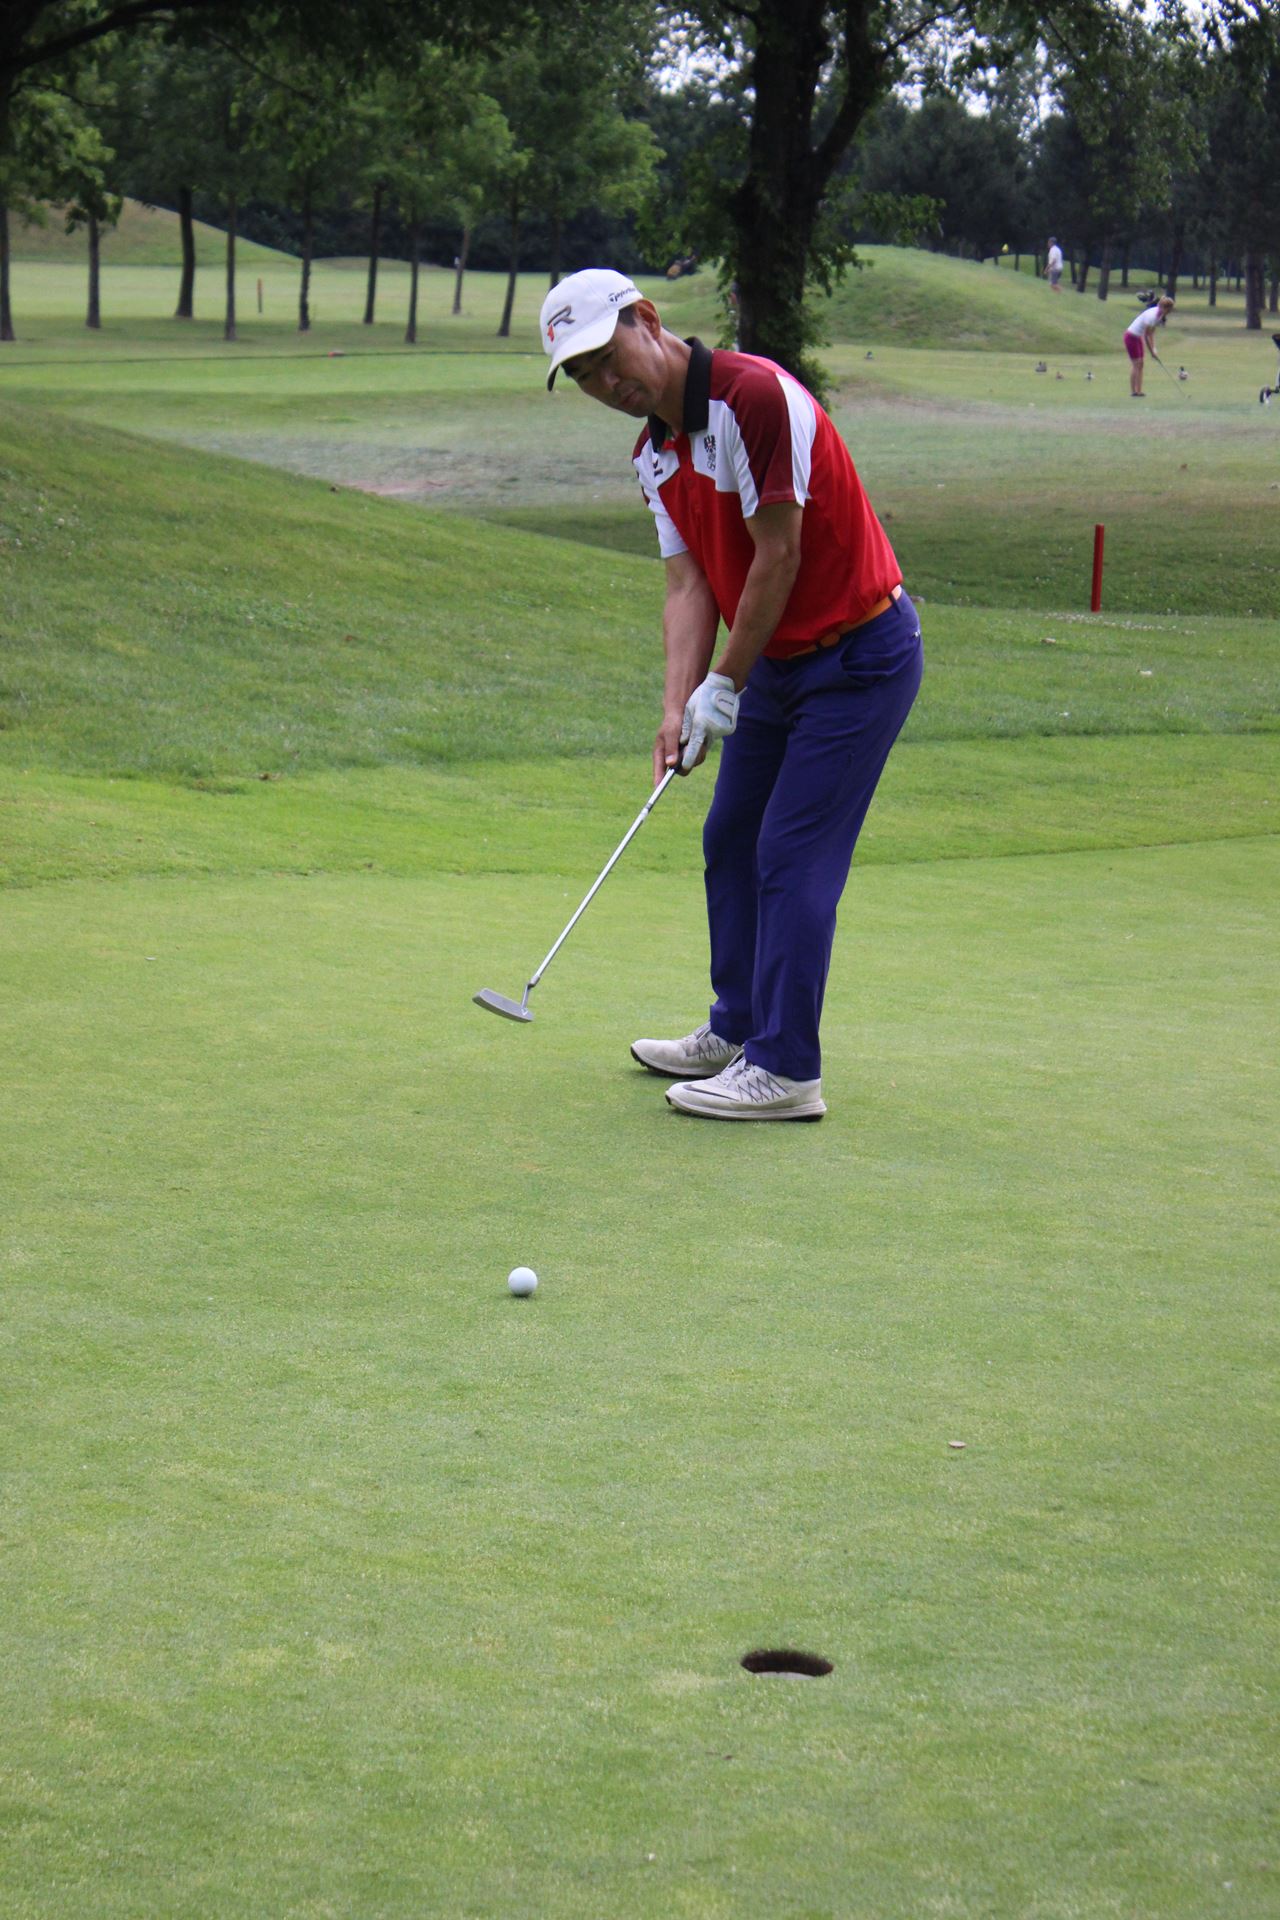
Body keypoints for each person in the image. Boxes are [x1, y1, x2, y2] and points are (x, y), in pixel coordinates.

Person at [539, 268, 922, 1121]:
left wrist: (725, 683)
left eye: (608, 357)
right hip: (777, 661)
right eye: (585, 376)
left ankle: (786, 1071)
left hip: (859, 655)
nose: (607, 384)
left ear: (647, 319)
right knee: (731, 836)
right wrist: (679, 705)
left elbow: (777, 556)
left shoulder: (754, 399)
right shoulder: (653, 456)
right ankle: (740, 1026)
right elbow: (689, 586)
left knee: (790, 851)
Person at [1123, 294, 1174, 396]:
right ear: (1164, 308)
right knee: (1136, 364)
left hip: (1137, 337)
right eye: (1168, 310)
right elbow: (1146, 336)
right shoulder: (1152, 316)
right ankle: (1133, 391)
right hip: (1131, 337)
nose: (1169, 313)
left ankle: (1139, 391)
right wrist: (1151, 352)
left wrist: (1154, 349)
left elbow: (1151, 333)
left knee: (1141, 364)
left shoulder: (1159, 315)